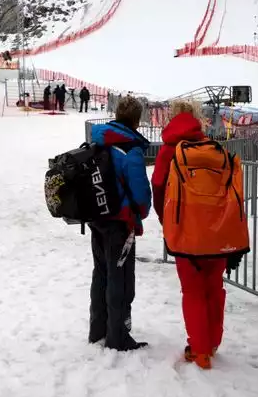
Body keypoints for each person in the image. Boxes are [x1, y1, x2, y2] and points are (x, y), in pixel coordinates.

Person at [150, 100, 243, 369]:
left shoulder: (170, 150)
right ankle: (213, 342)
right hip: (216, 229)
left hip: (184, 229)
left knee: (192, 290)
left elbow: (157, 185)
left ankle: (200, 349)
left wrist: (165, 219)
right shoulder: (212, 149)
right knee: (214, 287)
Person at [88, 95, 153, 351]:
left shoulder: (99, 142)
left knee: (101, 273)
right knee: (121, 278)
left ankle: (98, 329)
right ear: (137, 120)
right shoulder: (130, 149)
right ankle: (118, 336)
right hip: (120, 223)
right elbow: (140, 193)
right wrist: (141, 212)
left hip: (97, 218)